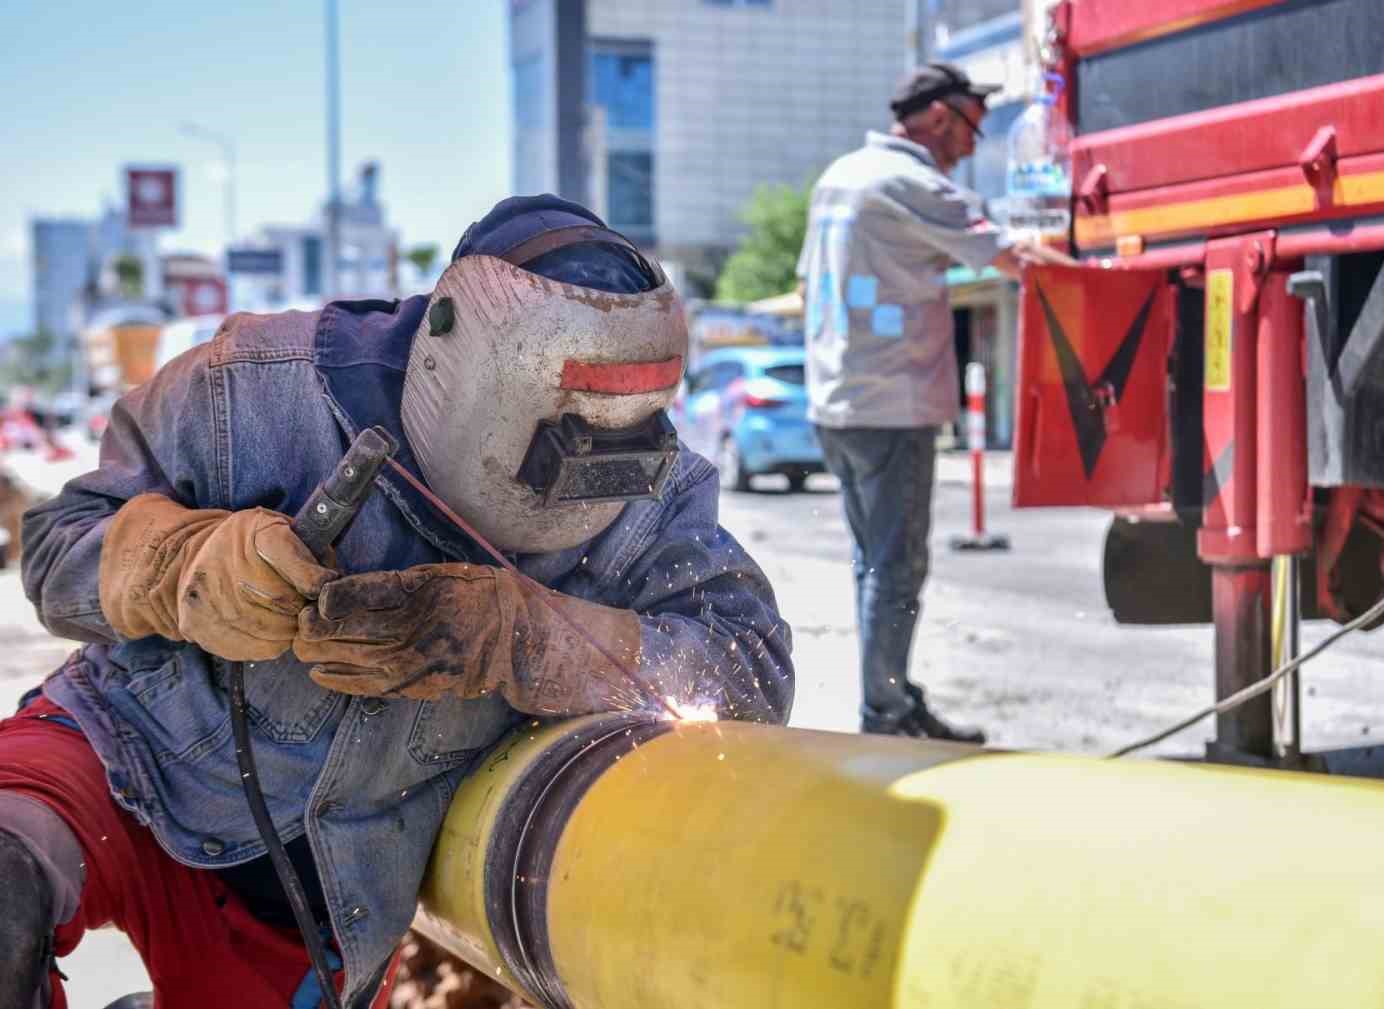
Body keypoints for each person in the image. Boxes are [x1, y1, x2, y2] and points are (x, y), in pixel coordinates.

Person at [1, 195, 795, 1009]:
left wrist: (524, 641)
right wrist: (177, 563)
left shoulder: (657, 496)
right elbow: (55, 550)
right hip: (123, 751)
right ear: (449, 349)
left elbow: (750, 676)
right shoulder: (252, 391)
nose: (590, 471)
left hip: (319, 895)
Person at [799, 63, 1073, 744]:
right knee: (895, 569)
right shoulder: (912, 183)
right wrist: (1109, 266)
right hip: (892, 407)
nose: (974, 146)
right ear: (943, 117)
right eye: (974, 127)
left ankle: (890, 695)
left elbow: (807, 284)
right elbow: (1016, 257)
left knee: (872, 564)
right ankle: (885, 713)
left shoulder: (840, 177)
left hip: (837, 401)